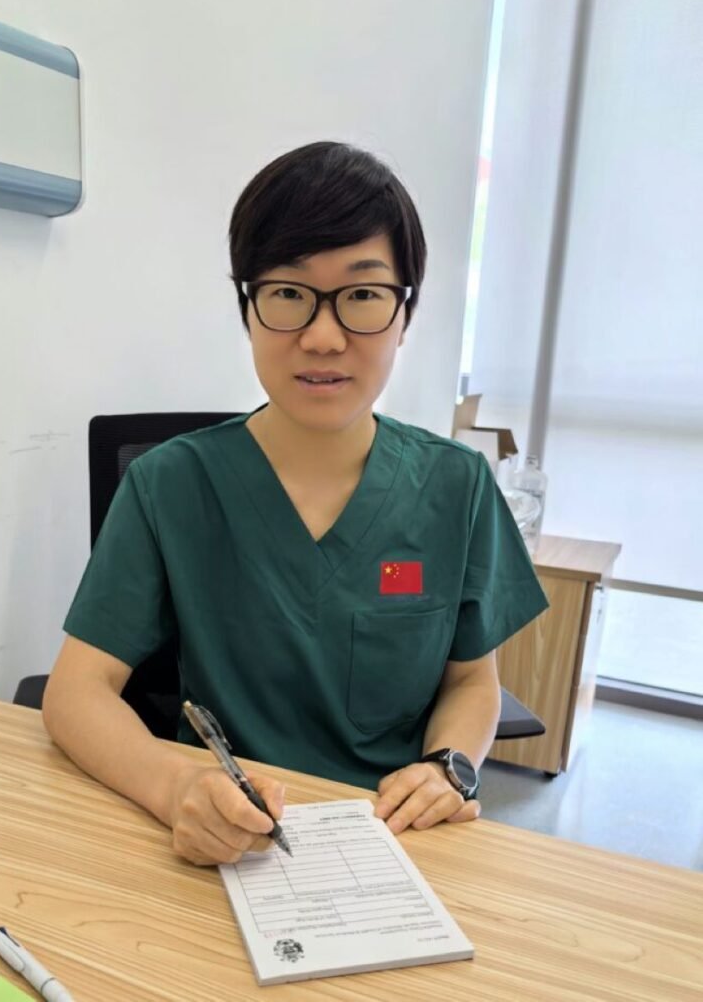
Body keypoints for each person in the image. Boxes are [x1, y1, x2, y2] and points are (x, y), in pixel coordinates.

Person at [43, 141, 548, 867]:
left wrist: (448, 766)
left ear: (405, 315)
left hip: (394, 844)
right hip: (223, 841)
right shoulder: (168, 485)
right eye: (287, 293)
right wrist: (175, 787)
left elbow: (471, 681)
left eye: (363, 296)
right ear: (247, 310)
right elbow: (75, 692)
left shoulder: (456, 486)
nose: (322, 337)